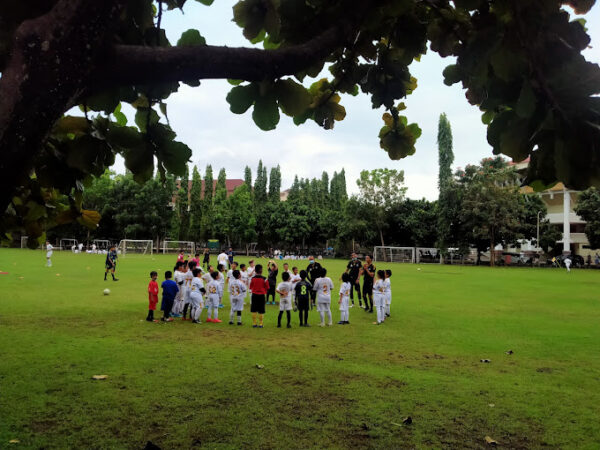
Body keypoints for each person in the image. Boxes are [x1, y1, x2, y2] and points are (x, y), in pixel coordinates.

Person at [249, 264, 269, 328]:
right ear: (261, 270)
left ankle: (254, 323)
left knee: (254, 309)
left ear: (255, 271)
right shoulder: (264, 279)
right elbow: (268, 287)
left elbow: (251, 287)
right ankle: (261, 323)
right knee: (261, 310)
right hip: (261, 296)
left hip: (254, 295)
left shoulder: (253, 278)